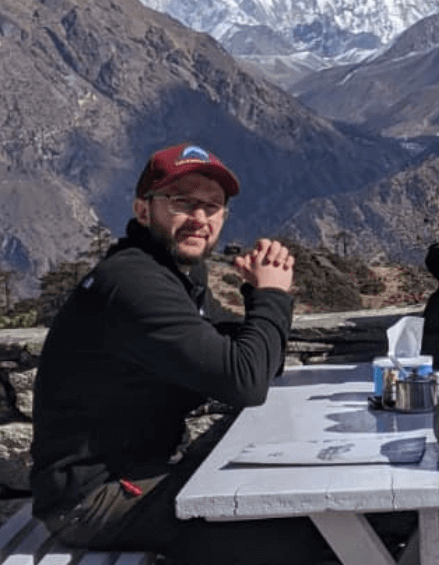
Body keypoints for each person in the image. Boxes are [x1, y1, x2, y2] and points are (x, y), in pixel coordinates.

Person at [30, 142, 336, 565]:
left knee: (307, 505)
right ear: (144, 210)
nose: (200, 218)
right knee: (311, 532)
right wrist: (269, 294)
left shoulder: (173, 274)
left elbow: (250, 360)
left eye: (213, 207)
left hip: (140, 475)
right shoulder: (135, 284)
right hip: (95, 500)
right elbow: (244, 381)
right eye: (183, 202)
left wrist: (259, 295)